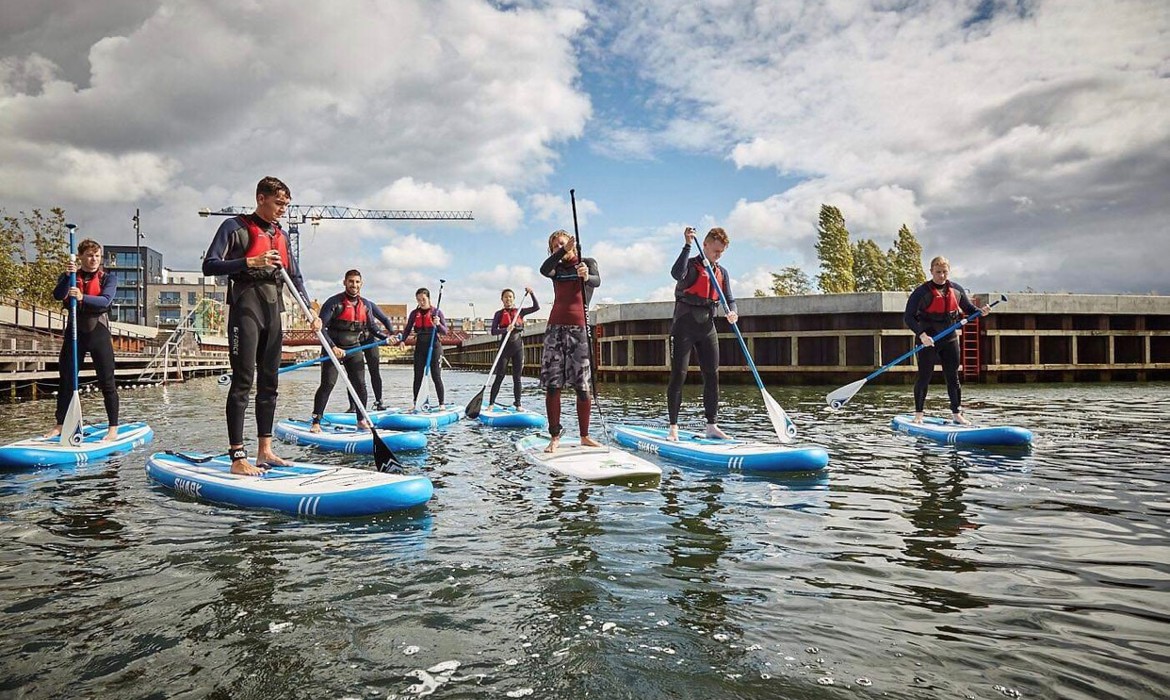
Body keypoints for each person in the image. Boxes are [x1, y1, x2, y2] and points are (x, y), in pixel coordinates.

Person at [203, 176, 318, 475]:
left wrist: (310, 310)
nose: (283, 210)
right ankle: (237, 456)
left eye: (286, 205)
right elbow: (209, 265)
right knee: (243, 381)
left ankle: (264, 450)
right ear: (261, 198)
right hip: (246, 309)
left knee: (270, 382)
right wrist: (250, 262)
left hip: (273, 310)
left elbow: (297, 277)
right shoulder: (234, 226)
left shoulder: (280, 235)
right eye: (279, 203)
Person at [666, 226, 738, 441]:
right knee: (679, 374)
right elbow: (675, 274)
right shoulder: (690, 265)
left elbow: (729, 298)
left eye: (722, 252)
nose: (718, 255)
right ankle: (673, 428)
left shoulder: (721, 272)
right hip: (684, 325)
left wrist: (733, 312)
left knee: (712, 374)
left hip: (707, 327)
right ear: (705, 245)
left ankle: (711, 425)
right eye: (716, 251)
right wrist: (687, 244)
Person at [45, 238, 120, 441]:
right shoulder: (70, 277)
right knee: (67, 380)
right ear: (80, 257)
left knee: (107, 381)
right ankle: (60, 424)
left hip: (98, 332)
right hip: (74, 332)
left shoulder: (108, 279)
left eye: (97, 256)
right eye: (89, 255)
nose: (94, 259)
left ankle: (113, 428)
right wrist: (67, 277)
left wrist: (81, 297)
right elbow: (57, 295)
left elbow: (105, 300)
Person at [903, 256, 991, 425]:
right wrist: (922, 335)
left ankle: (957, 413)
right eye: (938, 272)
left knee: (953, 377)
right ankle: (919, 414)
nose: (942, 276)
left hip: (950, 339)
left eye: (944, 272)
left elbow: (970, 310)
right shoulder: (921, 292)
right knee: (924, 376)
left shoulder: (956, 290)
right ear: (931, 272)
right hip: (928, 339)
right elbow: (909, 317)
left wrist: (982, 311)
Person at [539, 229, 601, 453]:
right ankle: (555, 436)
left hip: (579, 329)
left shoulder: (587, 262)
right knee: (552, 385)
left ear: (573, 243)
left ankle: (584, 435)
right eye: (554, 246)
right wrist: (560, 252)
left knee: (582, 386)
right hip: (555, 328)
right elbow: (544, 269)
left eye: (562, 244)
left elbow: (597, 281)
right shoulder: (555, 267)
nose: (559, 247)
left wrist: (586, 276)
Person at [311, 269, 387, 432]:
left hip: (354, 349)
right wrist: (332, 347)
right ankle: (316, 421)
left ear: (361, 284)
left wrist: (386, 337)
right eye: (351, 281)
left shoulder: (365, 305)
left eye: (357, 282)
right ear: (345, 282)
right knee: (328, 384)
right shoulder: (333, 302)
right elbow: (321, 328)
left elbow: (373, 327)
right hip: (333, 349)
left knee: (360, 385)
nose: (354, 285)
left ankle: (361, 420)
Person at [344, 283, 394, 414]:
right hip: (355, 342)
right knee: (353, 375)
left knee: (374, 371)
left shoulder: (368, 305)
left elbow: (384, 319)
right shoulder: (344, 304)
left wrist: (392, 333)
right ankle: (353, 406)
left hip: (370, 340)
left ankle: (379, 402)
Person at [488, 286, 539, 409]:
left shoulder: (520, 311)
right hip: (504, 347)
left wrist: (531, 293)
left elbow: (536, 307)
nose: (508, 299)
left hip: (518, 347)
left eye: (510, 297)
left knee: (517, 377)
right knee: (500, 375)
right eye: (505, 297)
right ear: (502, 299)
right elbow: (493, 331)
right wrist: (506, 329)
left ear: (514, 299)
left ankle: (518, 404)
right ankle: (491, 404)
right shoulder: (499, 314)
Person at [397, 287, 448, 408]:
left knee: (436, 376)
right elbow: (408, 328)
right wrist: (402, 341)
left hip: (434, 346)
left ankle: (441, 404)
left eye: (423, 299)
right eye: (418, 300)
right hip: (420, 346)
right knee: (417, 376)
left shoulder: (437, 313)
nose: (421, 302)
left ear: (428, 299)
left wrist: (438, 323)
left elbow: (444, 331)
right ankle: (416, 403)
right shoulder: (414, 314)